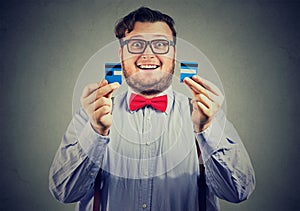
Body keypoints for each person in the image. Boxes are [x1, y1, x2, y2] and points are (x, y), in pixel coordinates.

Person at [49, 7, 255, 211]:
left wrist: (206, 130)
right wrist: (95, 132)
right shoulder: (90, 115)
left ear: (174, 53)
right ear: (121, 54)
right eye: (136, 44)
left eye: (160, 44)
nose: (148, 54)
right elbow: (64, 193)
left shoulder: (206, 113)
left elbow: (237, 193)